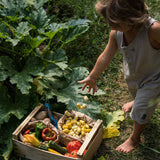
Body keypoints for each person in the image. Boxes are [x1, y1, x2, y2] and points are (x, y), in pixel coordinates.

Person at [78, 0, 160, 153]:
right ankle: (137, 98)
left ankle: (134, 139)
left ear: (132, 19)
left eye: (114, 22)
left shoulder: (153, 30)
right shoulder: (117, 32)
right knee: (138, 94)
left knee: (141, 109)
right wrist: (92, 77)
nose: (109, 25)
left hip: (155, 78)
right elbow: (105, 56)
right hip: (134, 76)